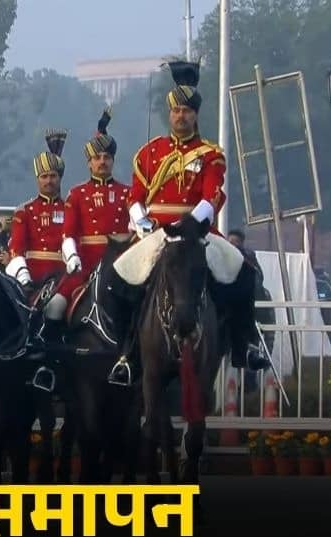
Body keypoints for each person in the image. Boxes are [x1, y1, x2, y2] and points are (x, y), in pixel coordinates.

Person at [108, 60, 270, 386]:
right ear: (169, 115)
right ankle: (126, 354)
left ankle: (244, 344)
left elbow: (212, 196)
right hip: (156, 232)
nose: (180, 116)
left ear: (195, 115)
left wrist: (190, 225)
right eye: (175, 111)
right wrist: (141, 222)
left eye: (186, 111)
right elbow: (135, 197)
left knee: (243, 273)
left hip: (197, 231)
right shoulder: (149, 153)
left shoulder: (210, 154)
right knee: (118, 279)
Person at [60, 108, 132, 301]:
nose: (102, 162)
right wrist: (72, 257)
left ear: (113, 161)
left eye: (107, 157)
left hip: (121, 265)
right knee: (55, 306)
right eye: (97, 158)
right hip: (86, 266)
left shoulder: (127, 193)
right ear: (89, 163)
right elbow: (68, 233)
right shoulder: (77, 194)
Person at [7, 129, 72, 318]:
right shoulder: (25, 210)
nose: (49, 181)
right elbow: (17, 249)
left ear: (60, 178)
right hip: (32, 278)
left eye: (53, 176)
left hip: (63, 277)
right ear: (37, 180)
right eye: (44, 177)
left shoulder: (70, 208)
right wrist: (24, 278)